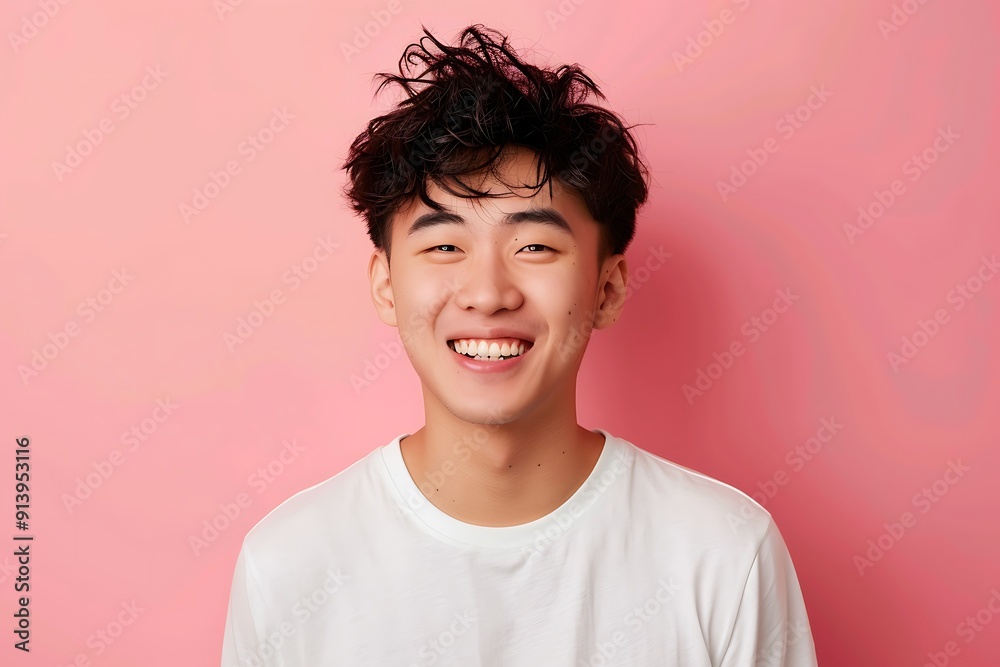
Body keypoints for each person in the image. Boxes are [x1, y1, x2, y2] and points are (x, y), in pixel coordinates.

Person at [221, 23, 818, 666]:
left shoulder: (724, 554)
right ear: (387, 285)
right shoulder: (289, 566)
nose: (487, 292)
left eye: (533, 246)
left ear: (607, 287)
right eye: (444, 246)